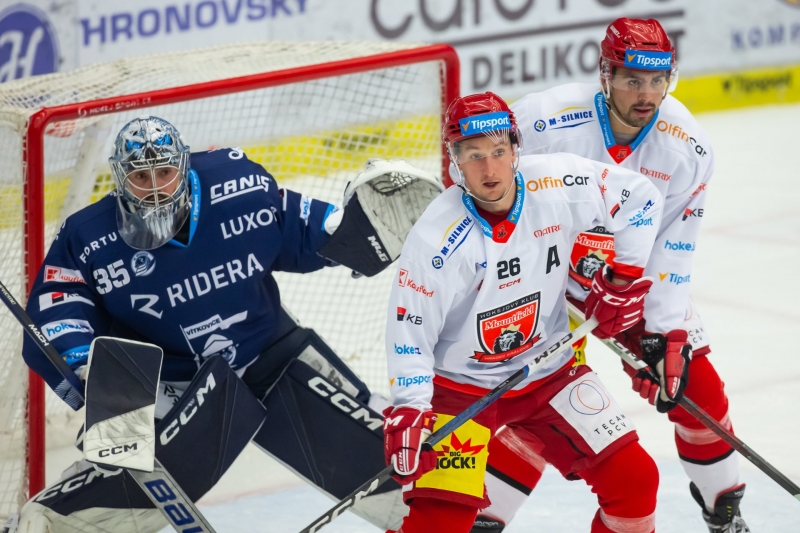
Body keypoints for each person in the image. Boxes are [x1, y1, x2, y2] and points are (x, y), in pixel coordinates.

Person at [16, 116, 441, 532]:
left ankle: (446, 517)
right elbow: (59, 302)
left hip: (267, 352)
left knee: (394, 463)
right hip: (170, 387)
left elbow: (298, 227)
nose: (156, 189)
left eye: (164, 172)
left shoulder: (238, 185)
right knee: (67, 518)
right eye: (141, 178)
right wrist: (85, 364)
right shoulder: (89, 236)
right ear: (119, 180)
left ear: (183, 167)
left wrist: (352, 231)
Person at [475, 18, 750, 533]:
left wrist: (667, 330)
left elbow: (675, 246)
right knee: (542, 397)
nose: (646, 95)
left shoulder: (687, 148)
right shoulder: (541, 119)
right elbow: (479, 182)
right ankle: (481, 516)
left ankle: (725, 512)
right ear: (605, 74)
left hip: (630, 285)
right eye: (631, 79)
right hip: (546, 285)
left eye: (657, 80)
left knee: (695, 389)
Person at [382, 92, 666, 533]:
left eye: (498, 152)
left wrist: (621, 281)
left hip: (548, 371)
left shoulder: (559, 182)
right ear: (454, 160)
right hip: (461, 391)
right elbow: (409, 333)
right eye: (474, 155)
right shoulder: (435, 241)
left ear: (517, 148)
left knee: (635, 481)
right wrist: (411, 409)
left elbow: (642, 199)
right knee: (439, 525)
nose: (489, 169)